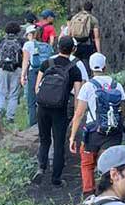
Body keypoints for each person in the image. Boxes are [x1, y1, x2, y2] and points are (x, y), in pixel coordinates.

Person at [69, 53, 125, 198]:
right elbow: (123, 109)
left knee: (87, 164)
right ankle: (109, 194)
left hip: (93, 132)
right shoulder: (117, 85)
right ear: (105, 66)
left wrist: (72, 136)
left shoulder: (88, 86)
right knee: (110, 164)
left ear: (90, 67)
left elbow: (79, 113)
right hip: (113, 132)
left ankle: (89, 194)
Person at [36, 36, 88, 186]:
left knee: (44, 140)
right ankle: (56, 179)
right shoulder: (75, 69)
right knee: (58, 143)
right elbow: (77, 96)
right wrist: (76, 114)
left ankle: (41, 167)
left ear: (58, 47)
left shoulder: (47, 63)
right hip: (60, 109)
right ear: (73, 49)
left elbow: (37, 88)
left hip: (43, 108)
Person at [21, 23, 54, 128]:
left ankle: (33, 124)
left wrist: (22, 75)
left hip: (33, 73)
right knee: (44, 98)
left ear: (31, 34)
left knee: (31, 100)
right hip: (45, 73)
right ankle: (45, 123)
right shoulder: (46, 45)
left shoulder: (28, 45)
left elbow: (25, 61)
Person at [0, 21, 23, 124]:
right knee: (13, 94)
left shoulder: (1, 41)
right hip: (17, 69)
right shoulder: (21, 41)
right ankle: (10, 118)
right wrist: (24, 74)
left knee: (0, 92)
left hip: (2, 69)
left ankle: (0, 110)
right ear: (18, 30)